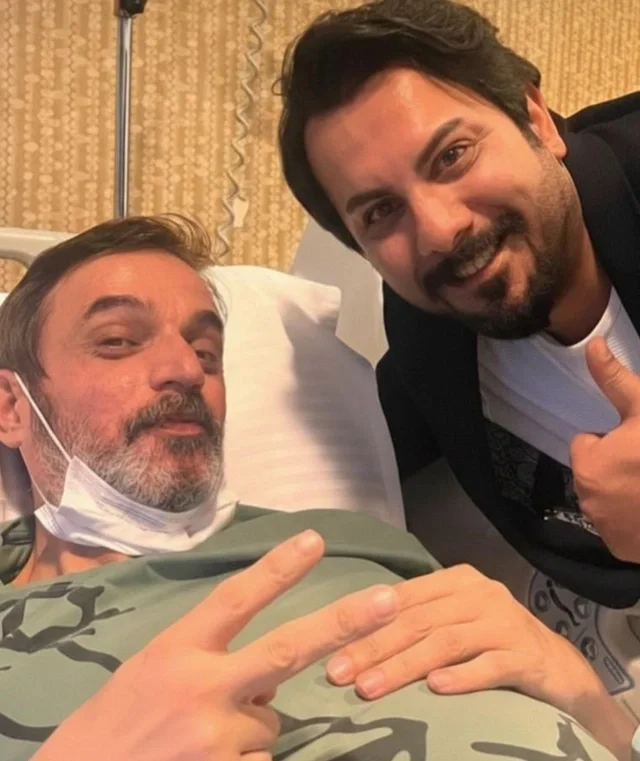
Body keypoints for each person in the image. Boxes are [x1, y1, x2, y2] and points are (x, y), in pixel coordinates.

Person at [0, 215, 631, 760]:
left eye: (207, 351)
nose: (186, 370)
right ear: (11, 407)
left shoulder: (347, 545)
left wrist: (581, 692)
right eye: (117, 342)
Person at [277, 0, 640, 610]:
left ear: (536, 120)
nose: (440, 231)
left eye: (452, 155)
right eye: (381, 212)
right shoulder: (431, 342)